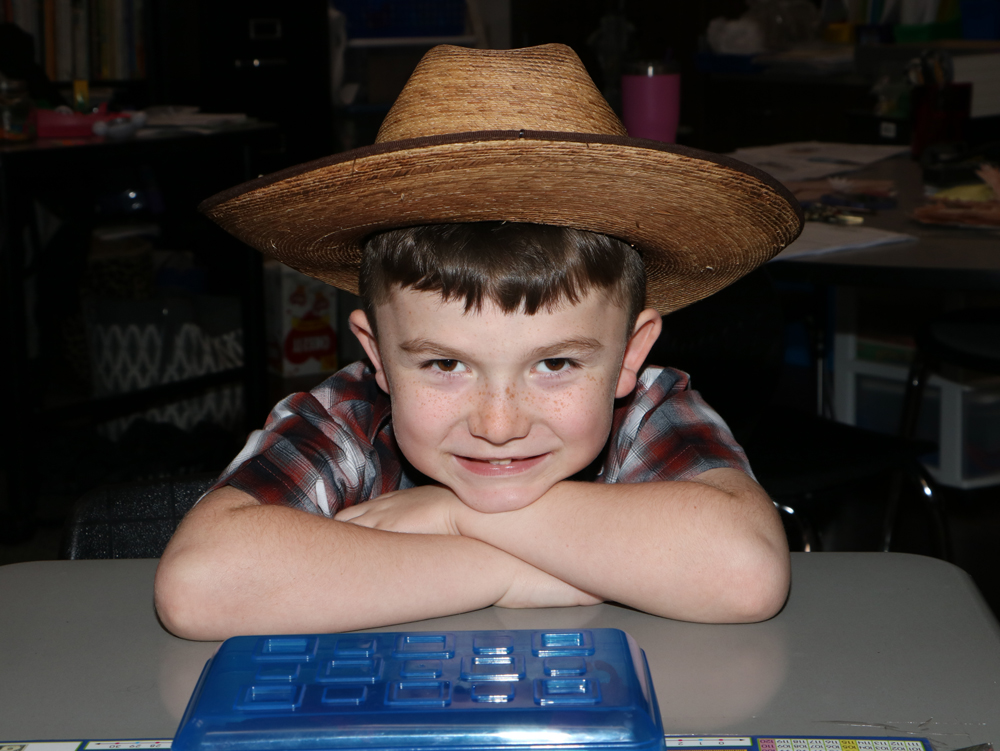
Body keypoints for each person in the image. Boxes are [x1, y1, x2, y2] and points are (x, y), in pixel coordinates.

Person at [154, 43, 802, 641]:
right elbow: (200, 585)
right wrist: (510, 575)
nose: (498, 424)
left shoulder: (652, 409)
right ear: (376, 353)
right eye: (444, 363)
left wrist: (454, 516)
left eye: (554, 362)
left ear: (631, 355)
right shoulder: (349, 417)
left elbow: (745, 570)